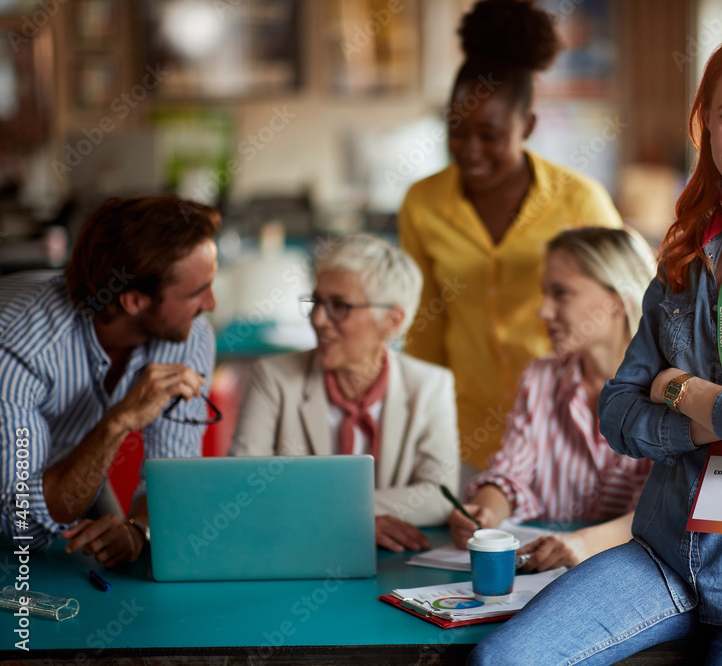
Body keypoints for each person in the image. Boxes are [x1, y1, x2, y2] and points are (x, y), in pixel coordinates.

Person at [471, 27, 722, 665]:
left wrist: (676, 388)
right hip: (667, 553)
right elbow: (616, 411)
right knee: (501, 661)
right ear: (708, 126)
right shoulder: (690, 247)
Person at [398, 0, 623, 473]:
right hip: (462, 435)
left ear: (528, 126)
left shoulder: (579, 201)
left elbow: (624, 319)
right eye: (456, 130)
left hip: (567, 431)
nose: (470, 150)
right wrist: (417, 430)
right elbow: (426, 329)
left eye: (490, 134)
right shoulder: (423, 204)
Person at [0, 196, 220, 568]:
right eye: (197, 292)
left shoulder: (189, 333)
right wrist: (119, 421)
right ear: (134, 300)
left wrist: (138, 531)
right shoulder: (19, 345)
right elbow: (25, 529)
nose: (211, 304)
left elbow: (172, 481)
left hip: (68, 465)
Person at [229, 233, 459, 553]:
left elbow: (440, 495)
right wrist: (351, 519)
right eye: (316, 302)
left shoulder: (431, 384)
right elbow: (245, 488)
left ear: (392, 321)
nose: (318, 320)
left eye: (339, 306)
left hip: (394, 563)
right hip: (296, 554)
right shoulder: (273, 377)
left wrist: (340, 512)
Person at [447, 227, 654, 572]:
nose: (543, 312)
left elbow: (663, 511)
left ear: (618, 298)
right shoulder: (541, 377)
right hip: (538, 576)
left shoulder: (671, 389)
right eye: (545, 294)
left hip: (628, 577)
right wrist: (483, 511)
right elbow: (511, 472)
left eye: (561, 294)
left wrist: (583, 544)